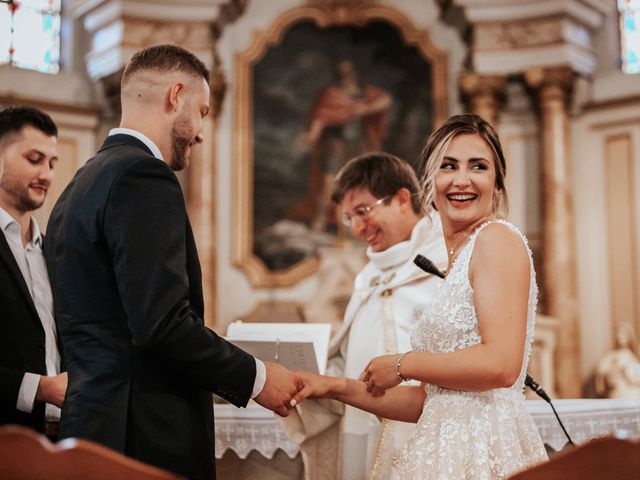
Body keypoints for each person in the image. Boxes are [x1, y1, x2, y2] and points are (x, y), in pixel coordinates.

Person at [43, 45, 302, 480]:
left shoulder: (80, 183)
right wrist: (258, 379)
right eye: (201, 111)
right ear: (174, 95)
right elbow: (161, 324)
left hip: (92, 424)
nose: (200, 131)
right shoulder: (142, 176)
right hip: (142, 435)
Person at [293, 114, 548, 479]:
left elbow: (501, 365)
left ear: (497, 182)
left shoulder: (496, 239)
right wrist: (336, 387)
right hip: (440, 452)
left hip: (482, 452)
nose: (462, 179)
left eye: (478, 166)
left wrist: (402, 364)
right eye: (449, 166)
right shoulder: (458, 259)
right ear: (431, 180)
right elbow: (431, 401)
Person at [0, 106, 67, 440]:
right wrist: (37, 389)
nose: (46, 174)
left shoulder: (53, 249)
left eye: (52, 163)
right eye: (34, 159)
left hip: (60, 434)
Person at [289, 60, 392, 232]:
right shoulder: (332, 95)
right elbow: (320, 118)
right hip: (336, 144)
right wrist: (311, 136)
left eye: (348, 73)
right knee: (329, 182)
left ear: (354, 74)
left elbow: (386, 100)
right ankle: (321, 219)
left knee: (362, 184)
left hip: (359, 145)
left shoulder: (364, 95)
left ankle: (363, 223)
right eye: (342, 74)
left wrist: (364, 109)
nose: (346, 77)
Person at [594, 322, 640, 398]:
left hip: (635, 394)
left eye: (624, 334)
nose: (620, 337)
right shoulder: (610, 356)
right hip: (620, 393)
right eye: (619, 334)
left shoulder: (634, 355)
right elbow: (600, 377)